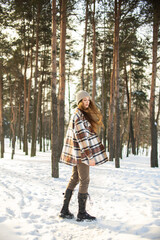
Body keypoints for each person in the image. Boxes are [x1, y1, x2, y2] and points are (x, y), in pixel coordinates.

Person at [59, 90, 108, 221]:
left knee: (75, 178)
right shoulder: (78, 116)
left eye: (88, 100)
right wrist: (89, 156)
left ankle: (64, 210)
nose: (87, 102)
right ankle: (81, 213)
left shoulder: (79, 115)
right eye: (84, 100)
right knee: (84, 180)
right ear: (79, 102)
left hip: (78, 153)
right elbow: (82, 139)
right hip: (81, 154)